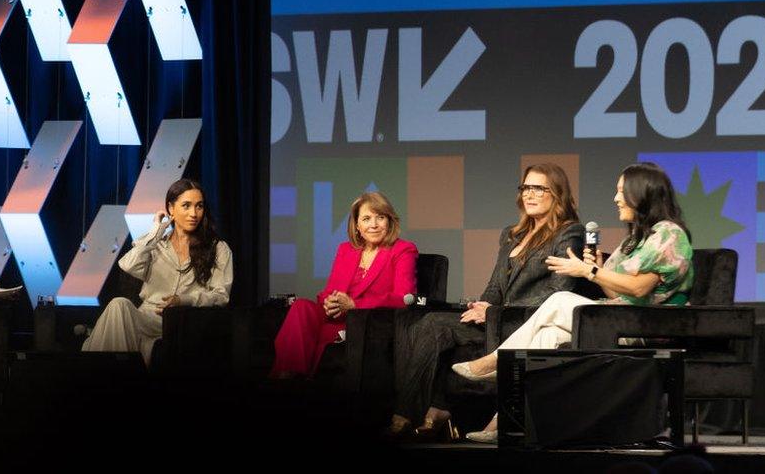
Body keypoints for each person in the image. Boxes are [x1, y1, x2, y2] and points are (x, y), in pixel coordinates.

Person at [454, 162, 694, 443]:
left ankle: (496, 361)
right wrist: (600, 269)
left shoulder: (669, 234)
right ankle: (507, 420)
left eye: (621, 192)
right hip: (621, 320)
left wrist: (589, 271)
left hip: (650, 326)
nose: (616, 199)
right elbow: (618, 295)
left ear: (642, 194)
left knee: (560, 298)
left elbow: (640, 288)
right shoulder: (635, 239)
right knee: (547, 335)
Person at [388, 163, 584, 439]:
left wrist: (495, 312)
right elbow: (495, 286)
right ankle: (426, 411)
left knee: (435, 325)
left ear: (557, 194)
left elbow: (558, 291)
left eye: (539, 188)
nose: (530, 194)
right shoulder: (511, 234)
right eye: (526, 187)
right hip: (496, 319)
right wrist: (482, 306)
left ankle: (418, 413)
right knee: (431, 322)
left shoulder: (569, 233)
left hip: (525, 322)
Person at [82, 179, 233, 366]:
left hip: (183, 323)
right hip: (146, 319)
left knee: (108, 329)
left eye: (199, 206)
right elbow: (128, 265)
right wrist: (156, 230)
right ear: (171, 208)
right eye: (186, 206)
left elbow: (221, 296)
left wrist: (183, 300)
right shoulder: (156, 245)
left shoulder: (218, 248)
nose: (194, 213)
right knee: (118, 305)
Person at [271, 191, 418, 378]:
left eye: (380, 217)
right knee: (301, 307)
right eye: (366, 218)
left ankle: (295, 380)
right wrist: (329, 302)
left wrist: (355, 305)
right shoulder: (346, 250)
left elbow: (403, 298)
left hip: (366, 322)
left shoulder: (403, 249)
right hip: (336, 316)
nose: (373, 225)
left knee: (319, 334)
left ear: (389, 221)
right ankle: (287, 376)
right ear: (357, 225)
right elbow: (328, 292)